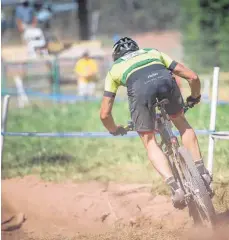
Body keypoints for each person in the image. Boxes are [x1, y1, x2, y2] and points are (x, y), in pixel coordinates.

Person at [99, 37, 212, 209]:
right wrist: (194, 96)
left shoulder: (114, 69)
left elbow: (104, 114)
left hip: (139, 90)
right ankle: (202, 173)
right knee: (180, 121)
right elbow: (193, 77)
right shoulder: (153, 52)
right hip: (165, 82)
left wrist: (115, 129)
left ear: (117, 56)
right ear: (137, 49)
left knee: (149, 140)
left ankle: (176, 189)